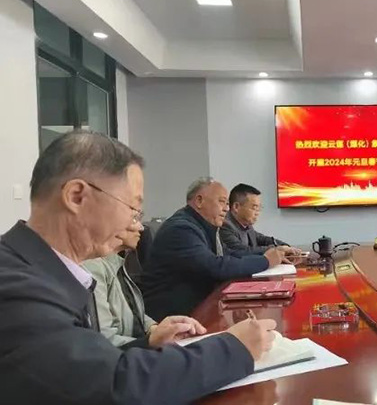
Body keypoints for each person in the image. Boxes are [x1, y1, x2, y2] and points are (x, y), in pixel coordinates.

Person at [0, 130, 276, 404]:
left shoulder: (44, 270)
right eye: (132, 208)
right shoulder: (16, 287)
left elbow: (86, 365)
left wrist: (150, 342)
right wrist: (233, 349)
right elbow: (113, 387)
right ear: (76, 196)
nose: (136, 224)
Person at [142, 178, 289, 319]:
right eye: (222, 202)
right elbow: (215, 266)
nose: (226, 209)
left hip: (196, 308)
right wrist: (265, 261)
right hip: (173, 316)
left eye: (227, 203)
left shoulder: (202, 225)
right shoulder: (181, 229)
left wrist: (267, 256)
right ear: (199, 201)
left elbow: (228, 254)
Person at [83, 220, 200, 348]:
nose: (141, 227)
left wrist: (156, 329)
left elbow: (132, 312)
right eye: (134, 218)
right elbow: (103, 342)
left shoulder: (118, 261)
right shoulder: (93, 267)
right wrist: (151, 341)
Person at [220, 183, 300, 257]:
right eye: (254, 208)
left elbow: (262, 239)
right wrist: (276, 250)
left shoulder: (246, 224)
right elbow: (242, 251)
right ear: (236, 207)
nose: (257, 213)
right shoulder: (225, 225)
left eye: (259, 208)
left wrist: (286, 246)